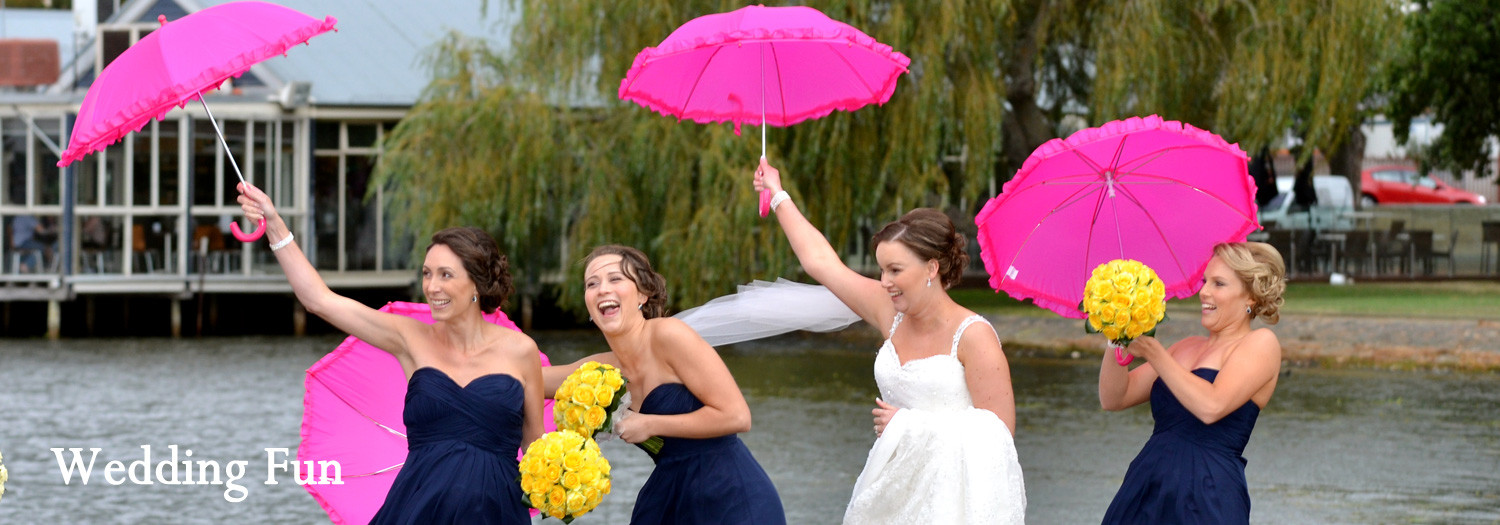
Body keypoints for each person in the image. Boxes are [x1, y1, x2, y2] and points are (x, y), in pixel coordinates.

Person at [237, 182, 543, 524]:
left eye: (445, 275)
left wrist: (570, 483)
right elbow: (319, 300)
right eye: (427, 274)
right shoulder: (408, 337)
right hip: (418, 509)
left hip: (497, 511)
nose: (432, 287)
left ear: (477, 283)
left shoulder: (520, 351)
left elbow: (535, 454)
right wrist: (275, 224)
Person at [752, 159, 1026, 524]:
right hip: (889, 488)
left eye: (895, 270)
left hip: (950, 501)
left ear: (931, 268)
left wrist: (908, 426)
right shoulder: (889, 313)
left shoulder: (974, 336)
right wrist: (777, 193)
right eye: (882, 269)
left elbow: (998, 436)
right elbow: (821, 262)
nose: (884, 281)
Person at [544, 245, 786, 525]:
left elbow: (737, 416)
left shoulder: (669, 335)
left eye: (615, 278)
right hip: (670, 497)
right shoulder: (597, 371)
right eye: (592, 284)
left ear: (642, 295)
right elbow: (524, 378)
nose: (602, 289)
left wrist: (650, 424)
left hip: (730, 495)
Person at [1097, 242, 1286, 524]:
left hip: (1207, 493)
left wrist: (1155, 353)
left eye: (1218, 284)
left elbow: (1212, 405)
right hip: (1147, 484)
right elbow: (1114, 398)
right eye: (1204, 281)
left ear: (1251, 298)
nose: (1204, 292)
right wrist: (1116, 335)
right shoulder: (1185, 347)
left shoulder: (1260, 344)